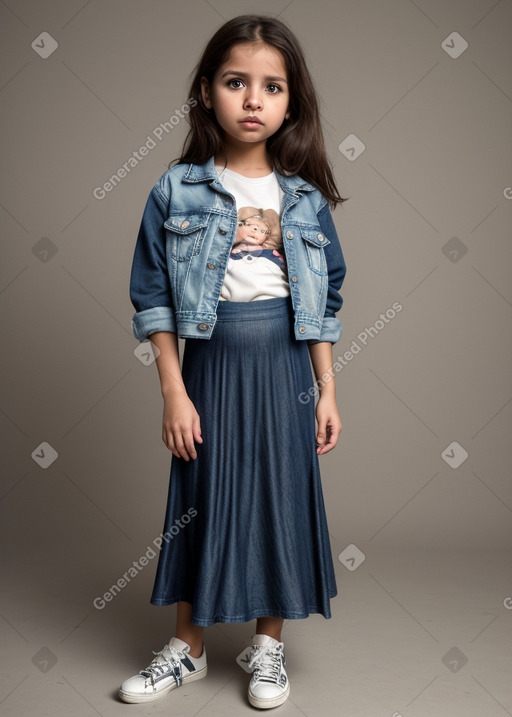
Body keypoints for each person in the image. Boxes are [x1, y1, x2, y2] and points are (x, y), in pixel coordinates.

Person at [120, 13, 347, 711]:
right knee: (199, 499)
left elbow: (326, 297)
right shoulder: (177, 189)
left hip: (284, 371)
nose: (253, 99)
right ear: (207, 92)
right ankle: (186, 650)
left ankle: (267, 649)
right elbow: (153, 295)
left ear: (291, 101)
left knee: (280, 497)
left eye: (271, 86)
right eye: (235, 82)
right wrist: (173, 390)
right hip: (209, 368)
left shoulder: (304, 198)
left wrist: (328, 389)